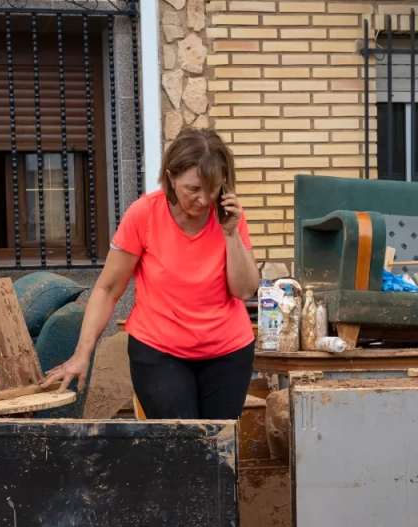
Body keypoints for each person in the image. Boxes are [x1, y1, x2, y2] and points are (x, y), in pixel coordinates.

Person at [41, 127, 259, 420]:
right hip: (159, 352)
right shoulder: (145, 214)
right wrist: (82, 355)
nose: (205, 199)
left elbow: (244, 290)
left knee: (217, 452)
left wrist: (230, 233)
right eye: (193, 189)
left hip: (228, 351)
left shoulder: (228, 216)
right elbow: (107, 289)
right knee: (180, 445)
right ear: (171, 177)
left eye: (213, 187)